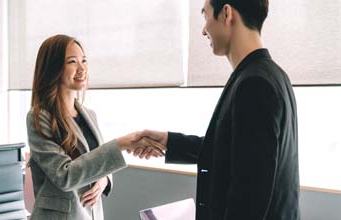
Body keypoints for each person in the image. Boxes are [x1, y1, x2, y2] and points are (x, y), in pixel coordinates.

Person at [133, 0, 300, 219]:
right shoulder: (270, 75)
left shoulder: (254, 84)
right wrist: (169, 141)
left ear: (226, 13)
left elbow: (249, 197)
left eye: (206, 16)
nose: (203, 30)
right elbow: (237, 151)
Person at [26, 34, 165, 220]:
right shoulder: (39, 117)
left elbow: (95, 160)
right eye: (72, 61)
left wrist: (104, 179)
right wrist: (121, 144)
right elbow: (64, 176)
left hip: (90, 214)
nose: (82, 68)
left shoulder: (89, 115)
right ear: (53, 68)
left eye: (84, 60)